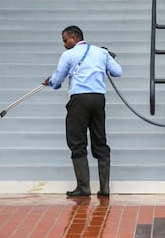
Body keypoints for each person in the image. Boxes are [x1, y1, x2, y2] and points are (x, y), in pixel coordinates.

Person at [42, 25, 122, 197]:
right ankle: (104, 188)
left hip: (79, 100)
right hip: (98, 99)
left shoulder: (68, 55)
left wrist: (50, 82)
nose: (64, 44)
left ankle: (84, 188)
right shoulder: (101, 52)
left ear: (73, 38)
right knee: (100, 141)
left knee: (77, 142)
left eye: (65, 40)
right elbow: (117, 72)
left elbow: (57, 80)